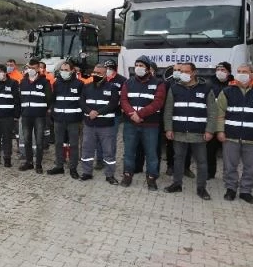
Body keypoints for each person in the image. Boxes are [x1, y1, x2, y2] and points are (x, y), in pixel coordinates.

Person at [214, 63, 253, 204]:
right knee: (229, 166)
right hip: (230, 136)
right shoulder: (227, 92)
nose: (241, 74)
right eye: (239, 71)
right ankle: (231, 188)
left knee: (250, 167)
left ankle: (246, 191)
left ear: (252, 74)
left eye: (244, 71)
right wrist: (220, 131)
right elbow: (219, 114)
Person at [162, 63, 217, 200]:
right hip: (179, 132)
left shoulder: (206, 88)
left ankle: (201, 188)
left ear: (194, 73)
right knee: (178, 159)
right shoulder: (174, 88)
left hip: (199, 133)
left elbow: (212, 112)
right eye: (181, 71)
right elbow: (168, 111)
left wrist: (210, 130)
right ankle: (177, 184)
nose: (183, 74)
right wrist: (168, 128)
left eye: (186, 71)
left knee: (202, 162)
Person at [120, 55, 167, 190]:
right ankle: (127, 175)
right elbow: (123, 100)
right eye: (136, 65)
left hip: (150, 126)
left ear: (148, 68)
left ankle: (151, 178)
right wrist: (132, 114)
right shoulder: (128, 82)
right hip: (130, 124)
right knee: (129, 152)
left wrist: (139, 114)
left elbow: (158, 103)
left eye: (141, 66)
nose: (138, 68)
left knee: (151, 153)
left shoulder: (158, 83)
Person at [80, 64, 120, 183]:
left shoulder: (112, 88)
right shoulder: (86, 87)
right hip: (89, 125)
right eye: (94, 72)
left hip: (106, 126)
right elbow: (81, 102)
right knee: (87, 150)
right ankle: (87, 172)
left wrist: (97, 112)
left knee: (109, 151)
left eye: (99, 73)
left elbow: (113, 104)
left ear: (105, 74)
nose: (95, 75)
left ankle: (110, 175)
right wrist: (90, 112)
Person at [46, 62, 84, 177]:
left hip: (73, 120)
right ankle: (59, 166)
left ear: (72, 71)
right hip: (59, 120)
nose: (63, 72)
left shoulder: (79, 84)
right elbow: (53, 100)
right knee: (58, 143)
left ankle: (73, 168)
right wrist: (53, 113)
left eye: (66, 70)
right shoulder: (57, 83)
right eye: (62, 70)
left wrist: (80, 117)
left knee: (73, 145)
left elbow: (83, 102)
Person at [18, 59, 51, 173]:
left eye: (33, 68)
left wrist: (42, 110)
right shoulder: (23, 82)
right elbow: (20, 98)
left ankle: (38, 165)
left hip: (39, 116)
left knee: (39, 141)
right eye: (29, 68)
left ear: (38, 69)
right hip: (26, 116)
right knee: (27, 140)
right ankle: (29, 162)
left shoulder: (44, 82)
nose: (31, 70)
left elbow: (49, 99)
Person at [206, 62, 233, 179]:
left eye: (223, 70)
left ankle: (228, 174)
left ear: (229, 72)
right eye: (218, 69)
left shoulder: (234, 84)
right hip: (213, 121)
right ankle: (210, 172)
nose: (220, 72)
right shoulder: (209, 84)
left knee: (228, 152)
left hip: (228, 122)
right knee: (210, 150)